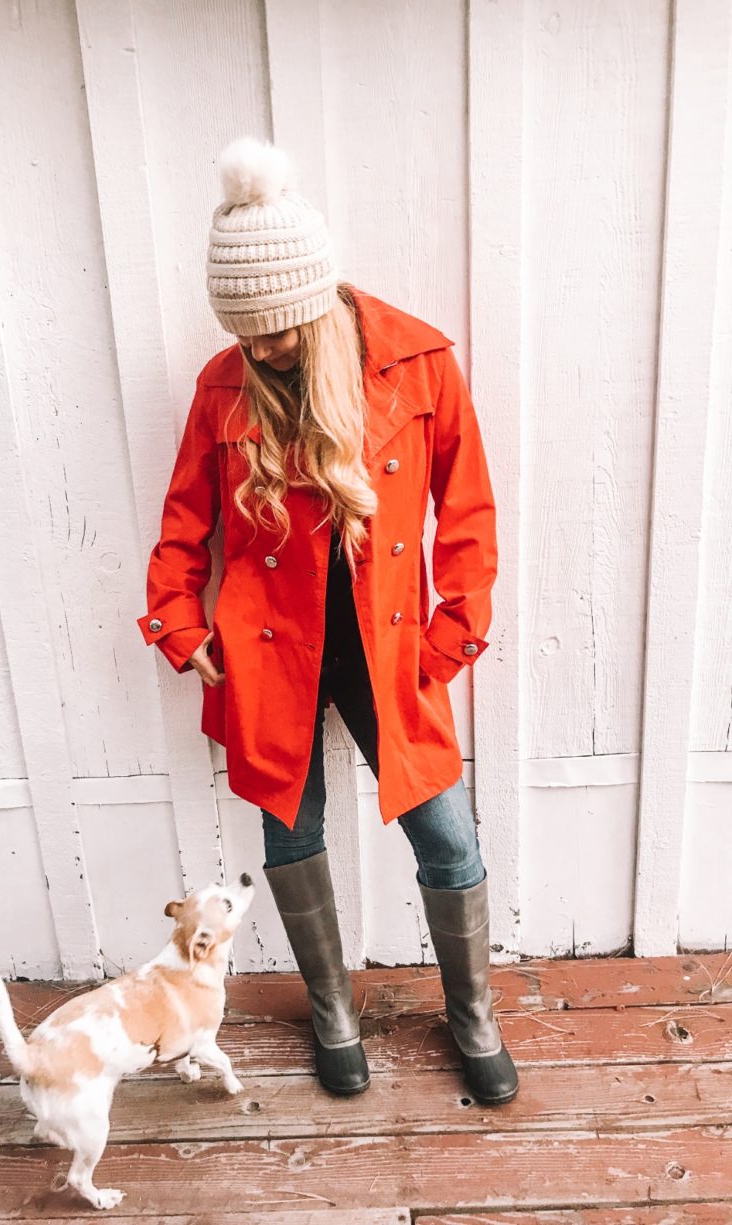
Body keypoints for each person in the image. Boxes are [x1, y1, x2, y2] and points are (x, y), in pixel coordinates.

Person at [137, 135, 518, 1105]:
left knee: (449, 839)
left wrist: (451, 633)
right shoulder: (222, 389)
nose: (260, 348)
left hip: (390, 647)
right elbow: (184, 523)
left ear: (315, 298)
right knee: (289, 834)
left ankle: (470, 1012)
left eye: (277, 328)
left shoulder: (417, 362)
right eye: (245, 331)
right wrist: (179, 626)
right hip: (268, 655)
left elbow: (465, 509)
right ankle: (332, 1010)